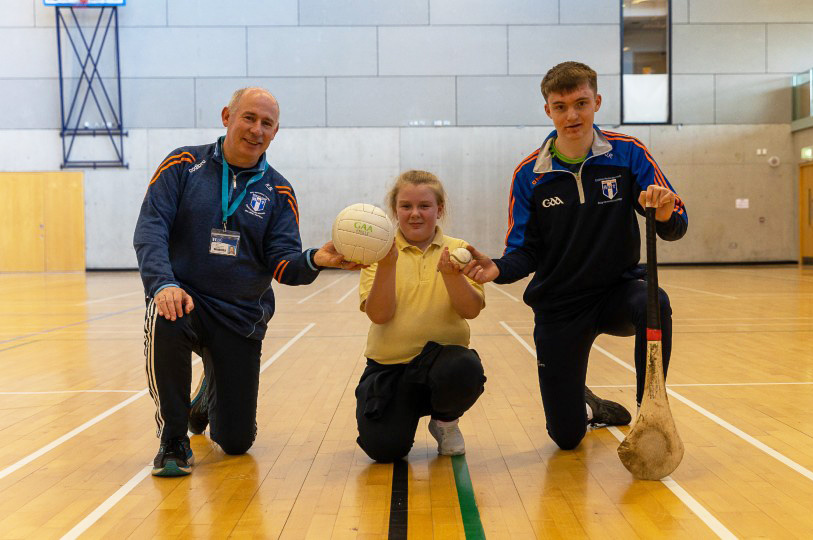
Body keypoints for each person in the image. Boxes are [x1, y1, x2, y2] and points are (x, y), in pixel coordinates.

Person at [134, 87, 359, 477]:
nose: (256, 129)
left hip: (240, 315)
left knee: (236, 442)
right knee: (164, 314)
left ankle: (207, 397)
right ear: (227, 116)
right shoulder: (183, 164)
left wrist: (316, 260)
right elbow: (151, 229)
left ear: (275, 133)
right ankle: (172, 439)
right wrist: (163, 284)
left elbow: (283, 266)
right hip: (184, 298)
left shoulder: (279, 192)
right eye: (249, 118)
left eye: (267, 124)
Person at [464, 62, 687, 450]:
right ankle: (587, 406)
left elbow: (675, 221)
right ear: (548, 110)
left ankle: (649, 409)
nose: (572, 115)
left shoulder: (628, 154)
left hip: (616, 291)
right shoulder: (529, 175)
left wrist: (665, 212)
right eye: (561, 106)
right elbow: (525, 251)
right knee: (566, 438)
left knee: (654, 303)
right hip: (560, 306)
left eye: (581, 103)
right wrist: (497, 268)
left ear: (596, 102)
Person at [355, 170, 487, 462]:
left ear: (439, 210)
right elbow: (379, 315)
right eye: (406, 206)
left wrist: (452, 276)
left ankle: (445, 422)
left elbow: (471, 310)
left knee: (464, 367)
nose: (415, 214)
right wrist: (387, 265)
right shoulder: (377, 252)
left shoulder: (460, 250)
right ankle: (402, 417)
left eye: (424, 206)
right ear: (395, 211)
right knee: (384, 450)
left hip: (441, 365)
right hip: (388, 369)